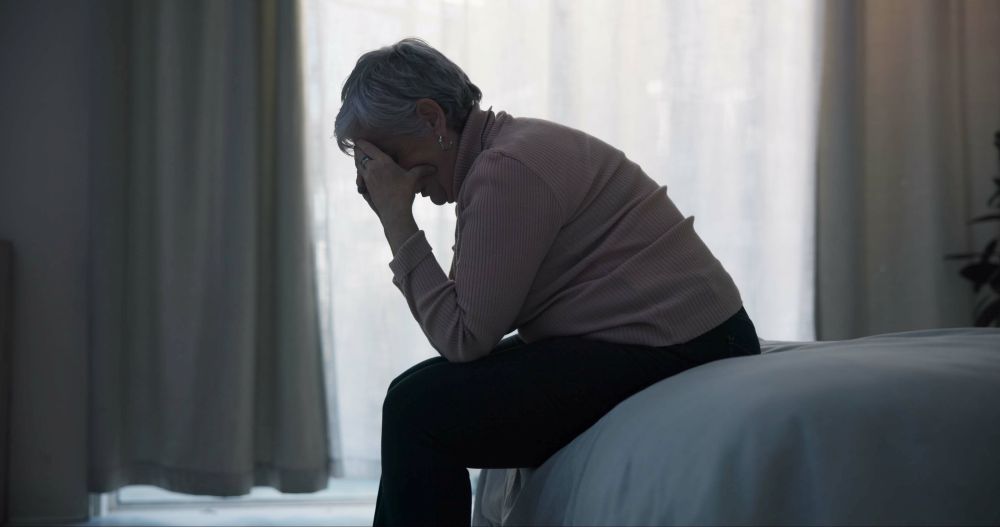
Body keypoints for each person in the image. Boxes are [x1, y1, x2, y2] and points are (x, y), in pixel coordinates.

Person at [335, 37, 761, 526]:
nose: (378, 178)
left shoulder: (506, 169)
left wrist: (398, 222)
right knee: (410, 392)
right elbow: (470, 314)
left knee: (419, 411)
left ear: (432, 120)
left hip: (682, 346)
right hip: (675, 336)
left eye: (383, 157)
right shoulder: (502, 156)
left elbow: (463, 337)